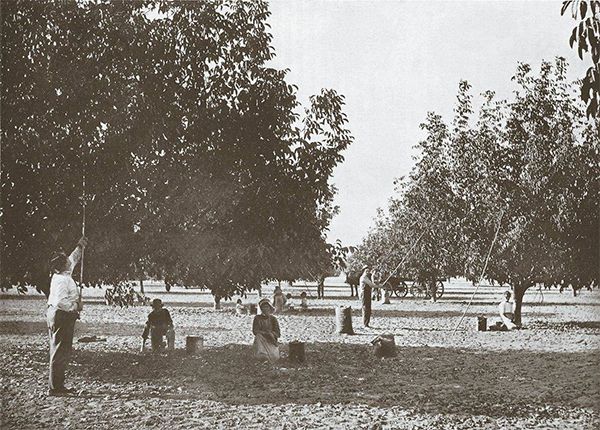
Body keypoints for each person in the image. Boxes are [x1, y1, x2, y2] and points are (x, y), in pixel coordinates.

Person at [46, 236, 87, 396]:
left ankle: (57, 385)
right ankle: (55, 388)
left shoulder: (62, 274)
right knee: (59, 350)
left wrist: (80, 246)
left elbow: (73, 259)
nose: (69, 261)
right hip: (61, 315)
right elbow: (61, 302)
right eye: (65, 261)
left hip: (59, 314)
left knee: (60, 349)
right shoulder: (62, 280)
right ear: (62, 266)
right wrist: (76, 306)